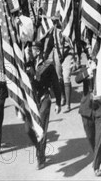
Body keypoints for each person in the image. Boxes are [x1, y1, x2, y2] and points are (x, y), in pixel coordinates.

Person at [25, 40, 62, 170]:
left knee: (41, 128)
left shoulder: (48, 66)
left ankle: (40, 158)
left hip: (44, 98)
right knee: (29, 130)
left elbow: (56, 84)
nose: (30, 51)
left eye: (33, 50)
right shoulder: (28, 64)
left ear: (38, 51)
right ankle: (39, 149)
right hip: (32, 101)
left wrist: (58, 102)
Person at [75, 57, 101, 177]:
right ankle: (96, 154)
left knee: (100, 138)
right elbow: (77, 79)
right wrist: (89, 70)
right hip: (87, 109)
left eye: (95, 61)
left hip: (100, 109)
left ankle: (97, 165)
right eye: (91, 61)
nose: (93, 63)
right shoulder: (85, 70)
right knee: (90, 137)